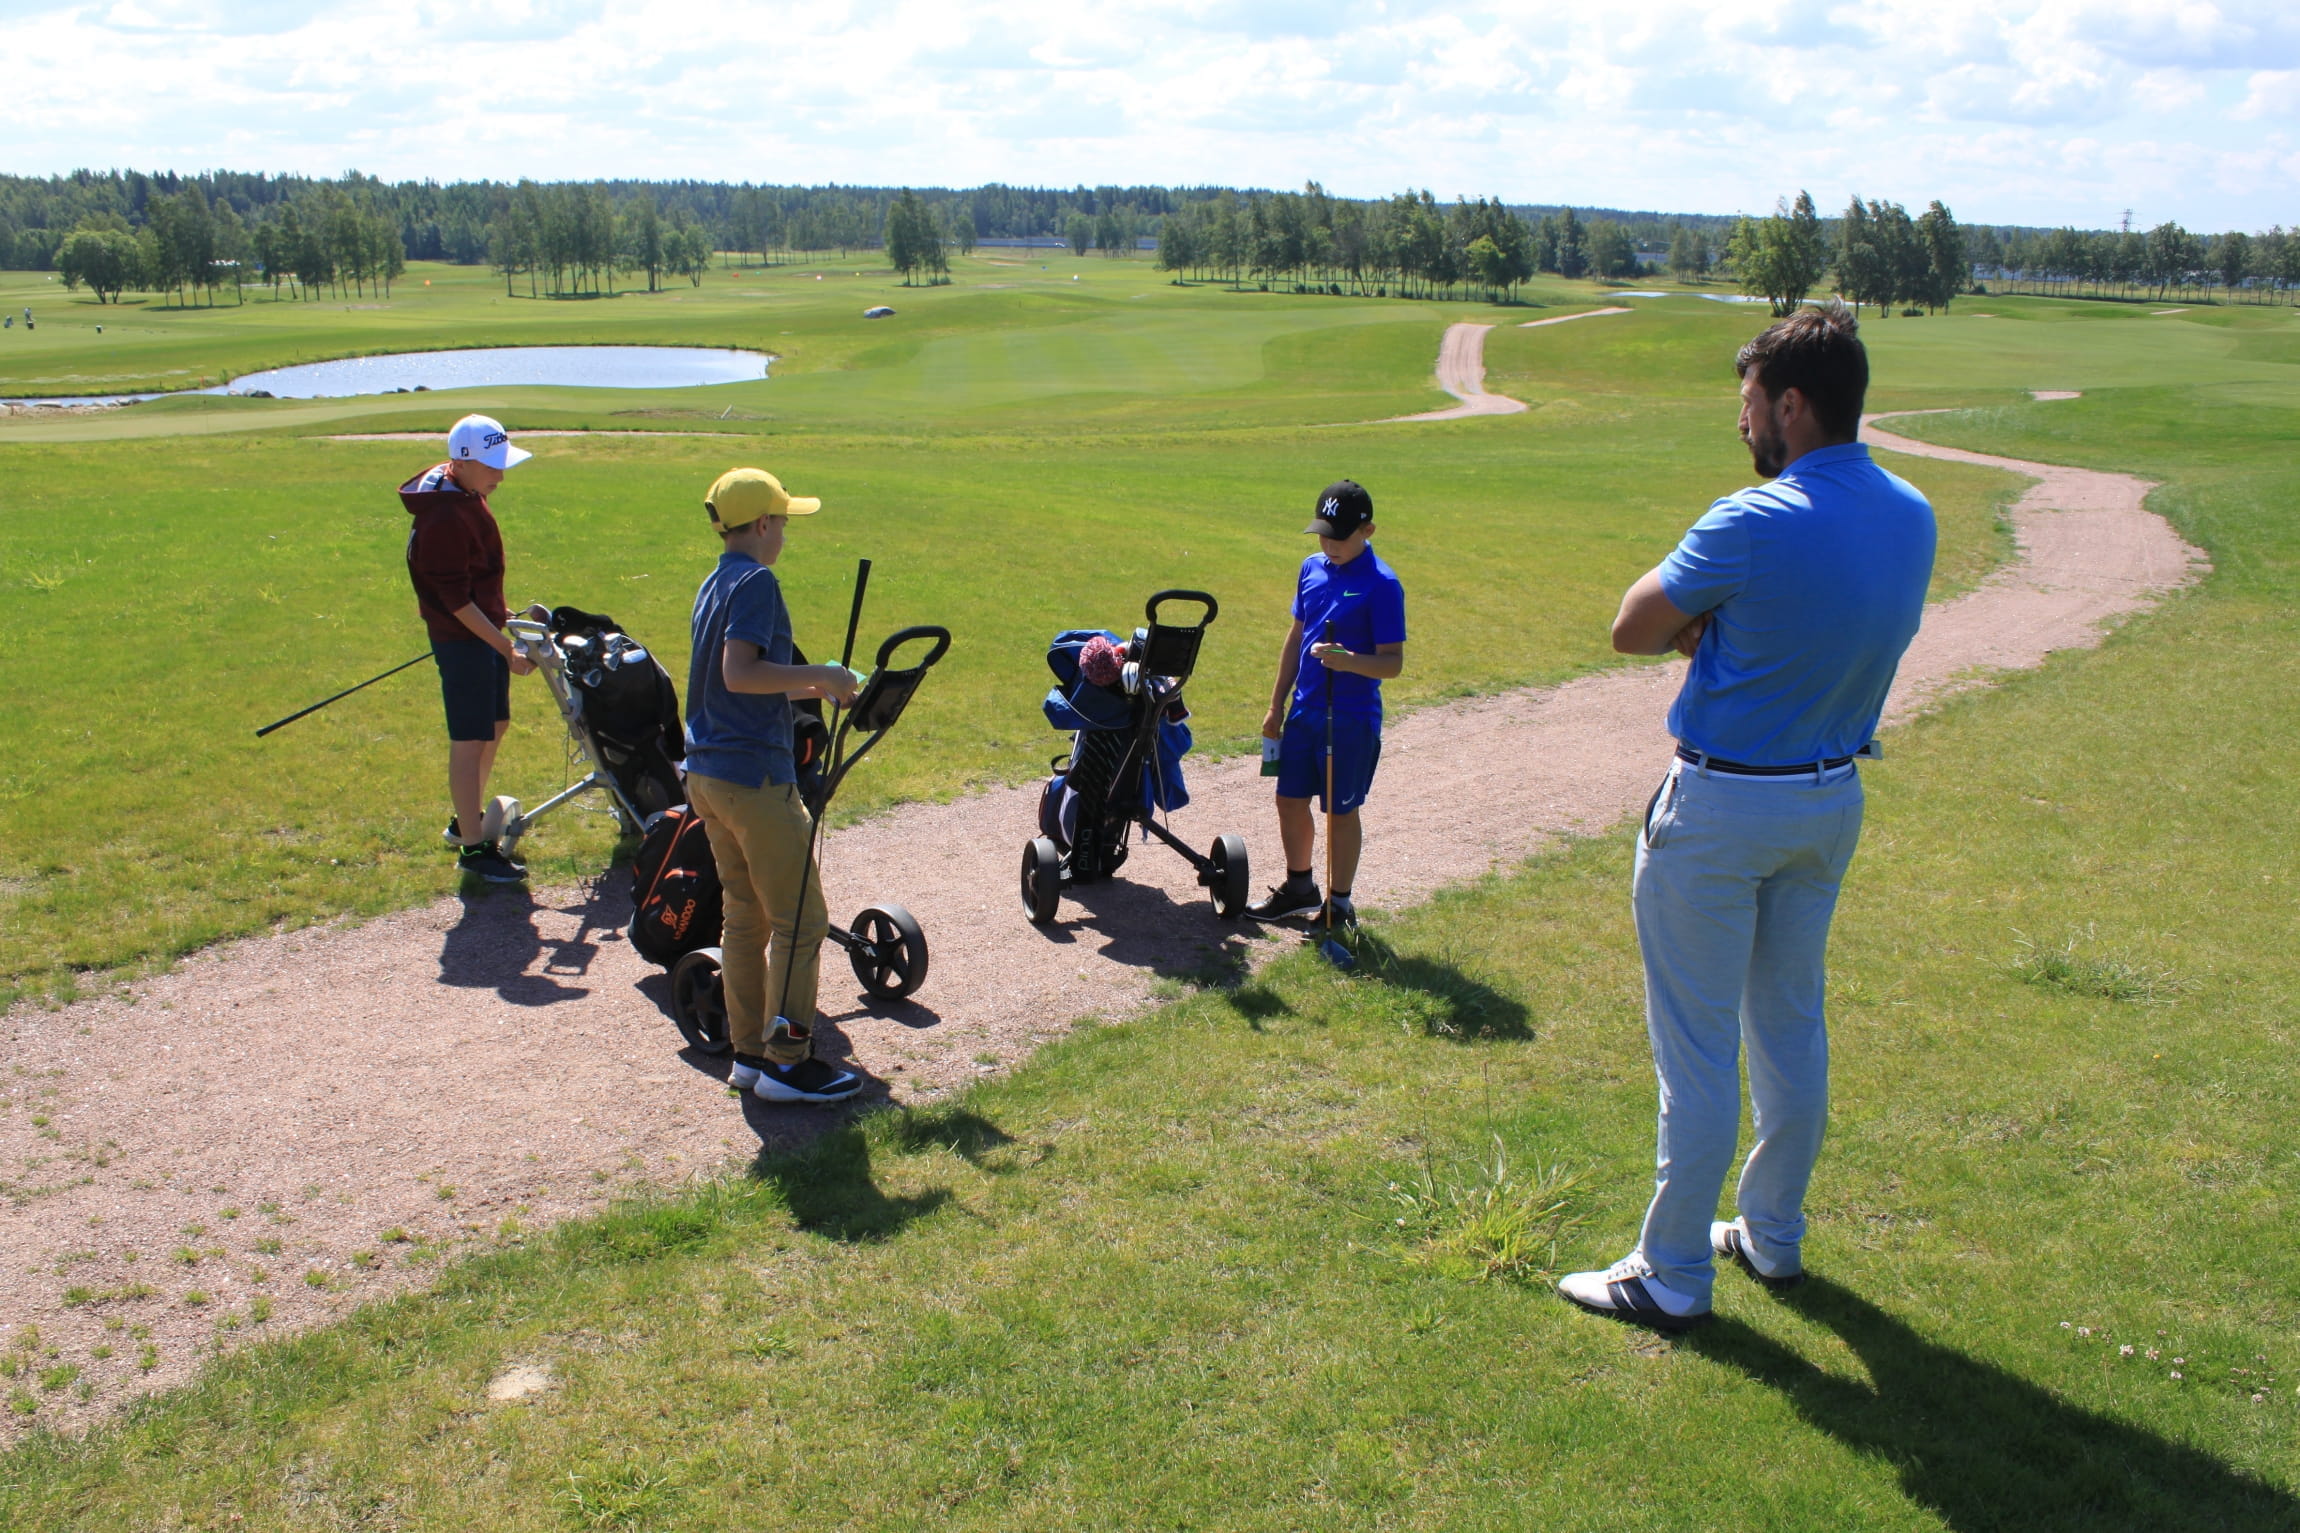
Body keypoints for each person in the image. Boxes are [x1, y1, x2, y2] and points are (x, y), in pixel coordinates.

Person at [1558, 301, 1935, 1330]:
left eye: (1749, 403)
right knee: (1788, 1022)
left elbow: (1632, 625)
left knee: (1695, 1045)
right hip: (1827, 799)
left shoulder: (1751, 519)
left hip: (1724, 807)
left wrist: (1704, 630)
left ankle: (1670, 1272)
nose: (1742, 423)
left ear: (1792, 405)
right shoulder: (1911, 511)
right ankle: (1771, 1233)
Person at [683, 466, 867, 1105]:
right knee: (801, 921)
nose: (785, 533)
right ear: (762, 525)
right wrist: (821, 669)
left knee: (746, 916)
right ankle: (788, 1063)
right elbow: (740, 674)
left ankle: (750, 1057)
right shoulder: (759, 580)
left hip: (707, 775)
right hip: (754, 779)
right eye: (784, 521)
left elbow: (747, 678)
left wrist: (823, 685)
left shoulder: (717, 581)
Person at [1246, 479, 1406, 927]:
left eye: (1339, 536)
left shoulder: (1382, 585)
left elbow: (1392, 664)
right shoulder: (1310, 568)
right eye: (1323, 534)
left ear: (1367, 531)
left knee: (1340, 811)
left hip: (1351, 718)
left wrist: (1349, 661)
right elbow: (1296, 636)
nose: (1329, 544)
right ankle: (1299, 888)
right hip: (1304, 712)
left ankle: (1339, 904)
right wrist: (1276, 705)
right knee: (1288, 800)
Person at [401, 414, 535, 885]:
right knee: (469, 738)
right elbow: (455, 600)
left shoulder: (465, 494)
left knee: (495, 725)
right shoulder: (444, 515)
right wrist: (504, 648)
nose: (500, 476)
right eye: (492, 466)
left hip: (481, 632)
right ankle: (473, 846)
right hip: (464, 641)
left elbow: (475, 581)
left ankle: (469, 820)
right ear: (463, 462)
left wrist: (504, 615)